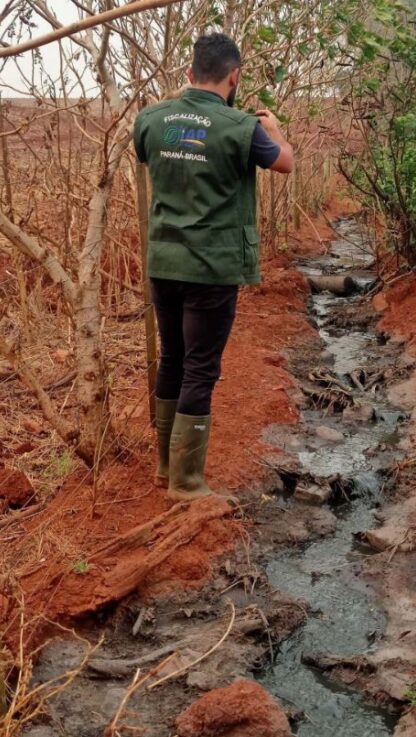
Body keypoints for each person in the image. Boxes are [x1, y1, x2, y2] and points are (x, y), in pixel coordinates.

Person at [133, 33, 294, 502]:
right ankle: (187, 483)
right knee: (201, 365)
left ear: (188, 74)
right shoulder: (242, 127)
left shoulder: (151, 119)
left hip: (164, 260)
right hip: (213, 266)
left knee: (173, 358)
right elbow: (285, 164)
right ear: (234, 76)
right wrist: (276, 130)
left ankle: (166, 468)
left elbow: (150, 157)